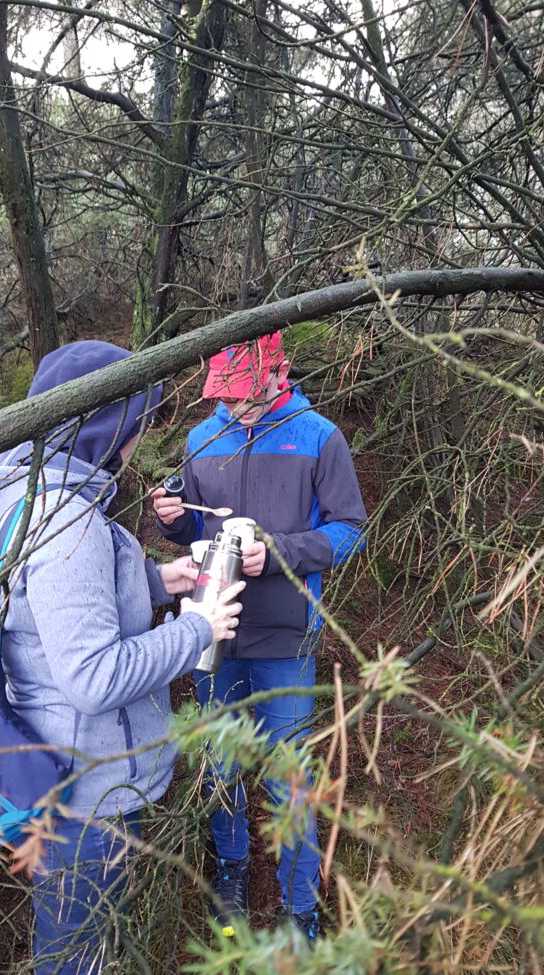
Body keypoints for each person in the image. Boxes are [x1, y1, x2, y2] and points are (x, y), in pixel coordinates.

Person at [0, 340, 245, 975]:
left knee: (66, 943)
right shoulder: (71, 526)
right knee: (82, 972)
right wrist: (197, 629)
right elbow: (91, 675)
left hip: (56, 766)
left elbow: (45, 610)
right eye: (138, 420)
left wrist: (155, 581)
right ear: (104, 426)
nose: (144, 436)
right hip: (90, 787)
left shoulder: (33, 496)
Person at [152, 331, 366, 942]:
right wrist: (174, 517)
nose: (238, 409)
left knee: (286, 774)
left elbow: (351, 530)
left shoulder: (318, 436)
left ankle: (300, 906)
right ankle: (232, 871)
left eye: (248, 398)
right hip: (211, 632)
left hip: (285, 634)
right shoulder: (202, 437)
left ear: (279, 374)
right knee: (220, 764)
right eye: (229, 398)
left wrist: (277, 553)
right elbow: (192, 529)